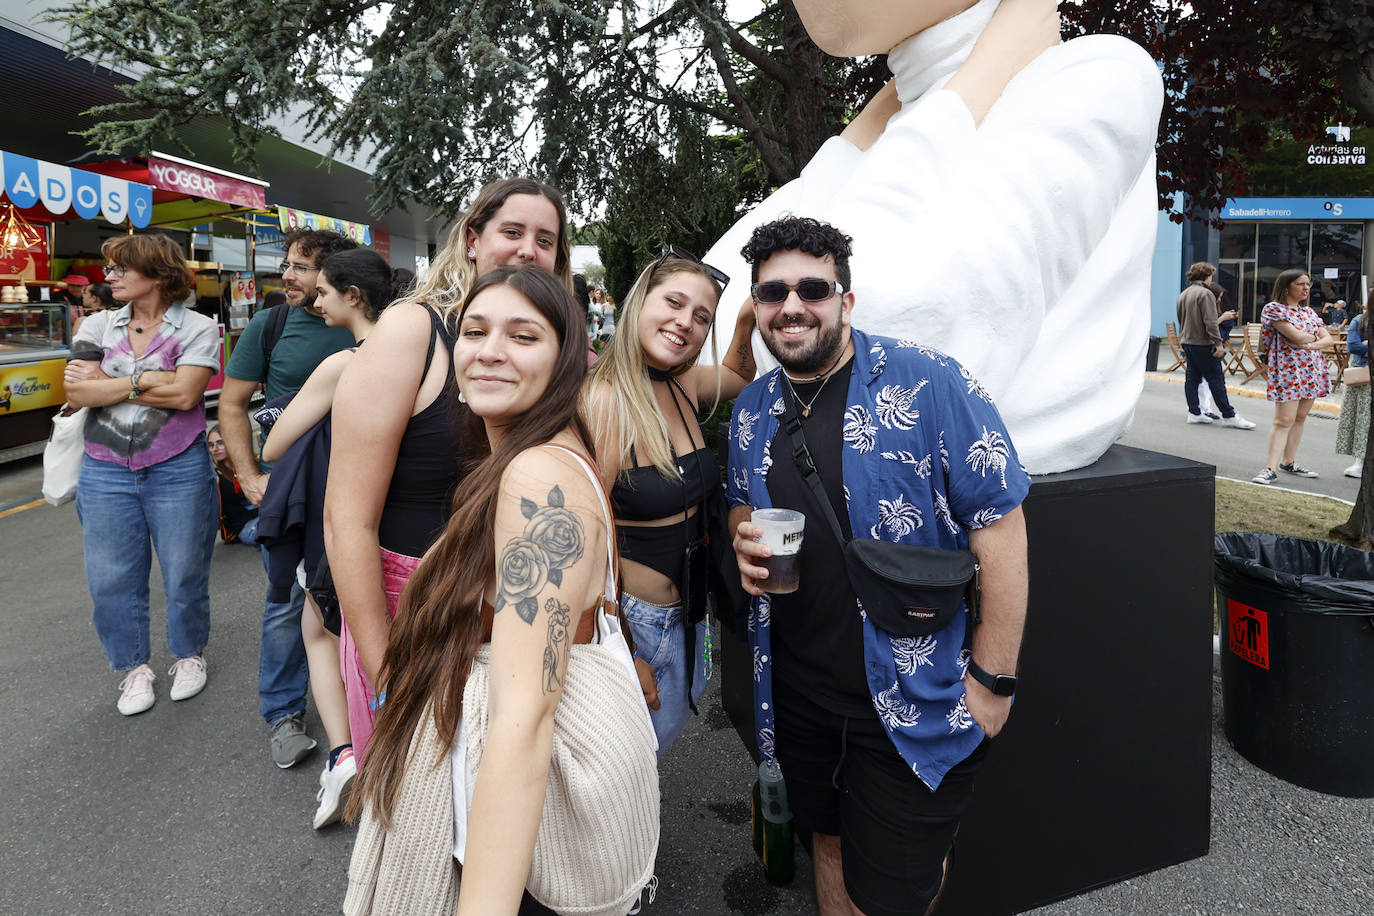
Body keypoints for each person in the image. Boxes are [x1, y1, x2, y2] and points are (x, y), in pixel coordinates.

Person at [702, 0, 1161, 475]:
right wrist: (866, 133)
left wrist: (964, 87)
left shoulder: (1097, 76)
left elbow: (876, 346)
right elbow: (709, 300)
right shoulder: (909, 115)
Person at [726, 217, 1030, 916]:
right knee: (825, 840)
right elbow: (743, 506)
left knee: (894, 889)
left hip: (915, 694)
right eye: (773, 292)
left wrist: (993, 680)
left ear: (846, 300)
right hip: (797, 694)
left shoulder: (931, 382)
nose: (792, 305)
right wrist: (745, 536)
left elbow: (1003, 529)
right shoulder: (751, 410)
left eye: (813, 288)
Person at [347, 267, 655, 915]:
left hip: (525, 840)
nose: (490, 349)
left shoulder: (536, 475)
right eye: (475, 331)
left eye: (523, 335)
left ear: (564, 359)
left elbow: (523, 721)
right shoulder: (544, 454)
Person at [326, 177, 572, 764]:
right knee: (419, 813)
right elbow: (346, 520)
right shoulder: (412, 331)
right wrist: (385, 670)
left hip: (511, 614)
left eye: (546, 239)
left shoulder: (556, 353)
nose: (528, 250)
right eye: (511, 231)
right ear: (470, 239)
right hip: (410, 609)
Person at [585, 247, 755, 753]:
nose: (686, 322)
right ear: (641, 301)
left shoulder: (683, 386)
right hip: (636, 624)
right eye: (674, 303)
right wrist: (626, 651)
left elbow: (740, 378)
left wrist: (743, 320)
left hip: (688, 612)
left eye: (701, 316)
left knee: (647, 764)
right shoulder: (606, 401)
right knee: (623, 775)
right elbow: (586, 544)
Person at [256, 248, 395, 829]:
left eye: (326, 293)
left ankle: (346, 756)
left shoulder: (347, 363)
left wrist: (291, 415)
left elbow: (273, 445)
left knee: (322, 629)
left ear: (354, 296)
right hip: (405, 519)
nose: (316, 301)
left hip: (343, 515)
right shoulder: (432, 355)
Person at [61, 234, 220, 716]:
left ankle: (189, 656)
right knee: (110, 579)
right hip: (104, 468)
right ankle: (133, 668)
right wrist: (146, 378)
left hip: (178, 465)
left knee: (184, 571)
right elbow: (76, 394)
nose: (107, 277)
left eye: (118, 269)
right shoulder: (95, 327)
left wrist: (109, 385)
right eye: (108, 269)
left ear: (156, 274)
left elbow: (187, 397)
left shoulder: (198, 327)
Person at [221, 228, 359, 768]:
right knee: (286, 601)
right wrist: (250, 476)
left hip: (361, 490)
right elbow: (232, 405)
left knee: (359, 596)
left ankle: (360, 709)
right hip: (292, 493)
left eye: (302, 267)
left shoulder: (374, 327)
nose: (288, 276)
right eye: (289, 264)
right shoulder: (270, 324)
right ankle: (283, 714)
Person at [1252, 270, 1334, 485]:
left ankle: (1289, 461)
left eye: (1308, 284)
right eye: (1300, 284)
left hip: (1310, 369)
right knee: (1283, 420)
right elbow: (1296, 336)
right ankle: (1270, 468)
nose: (1306, 288)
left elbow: (1328, 341)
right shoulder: (1274, 309)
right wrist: (1314, 339)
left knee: (1300, 418)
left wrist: (1308, 344)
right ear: (1286, 287)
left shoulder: (1308, 312)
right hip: (1288, 369)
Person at [1177, 262, 1254, 429]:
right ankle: (1229, 415)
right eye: (1211, 275)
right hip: (1204, 344)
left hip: (1188, 342)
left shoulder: (1184, 294)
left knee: (1192, 379)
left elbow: (1181, 318)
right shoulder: (1205, 294)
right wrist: (1218, 343)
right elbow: (1211, 322)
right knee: (1216, 380)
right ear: (1207, 276)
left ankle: (1194, 412)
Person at [209, 424, 260, 546]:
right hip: (246, 526)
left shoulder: (252, 463)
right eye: (211, 445)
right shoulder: (216, 477)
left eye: (220, 443)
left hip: (265, 515)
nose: (215, 448)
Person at [1335, 296, 1369, 479]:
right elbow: (1353, 345)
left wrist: (1367, 344)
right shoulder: (1360, 320)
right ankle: (1359, 462)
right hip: (1363, 377)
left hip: (1363, 374)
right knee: (1361, 421)